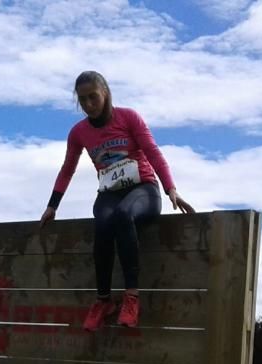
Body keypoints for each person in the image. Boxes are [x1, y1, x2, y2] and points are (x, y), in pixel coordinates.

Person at [40, 71, 194, 331]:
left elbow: (153, 152)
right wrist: (52, 206)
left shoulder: (128, 117)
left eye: (93, 97)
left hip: (143, 189)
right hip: (109, 193)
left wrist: (171, 189)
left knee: (123, 216)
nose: (89, 104)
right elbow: (67, 169)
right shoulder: (79, 132)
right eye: (83, 100)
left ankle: (131, 298)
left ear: (105, 93)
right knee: (103, 221)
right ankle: (103, 300)